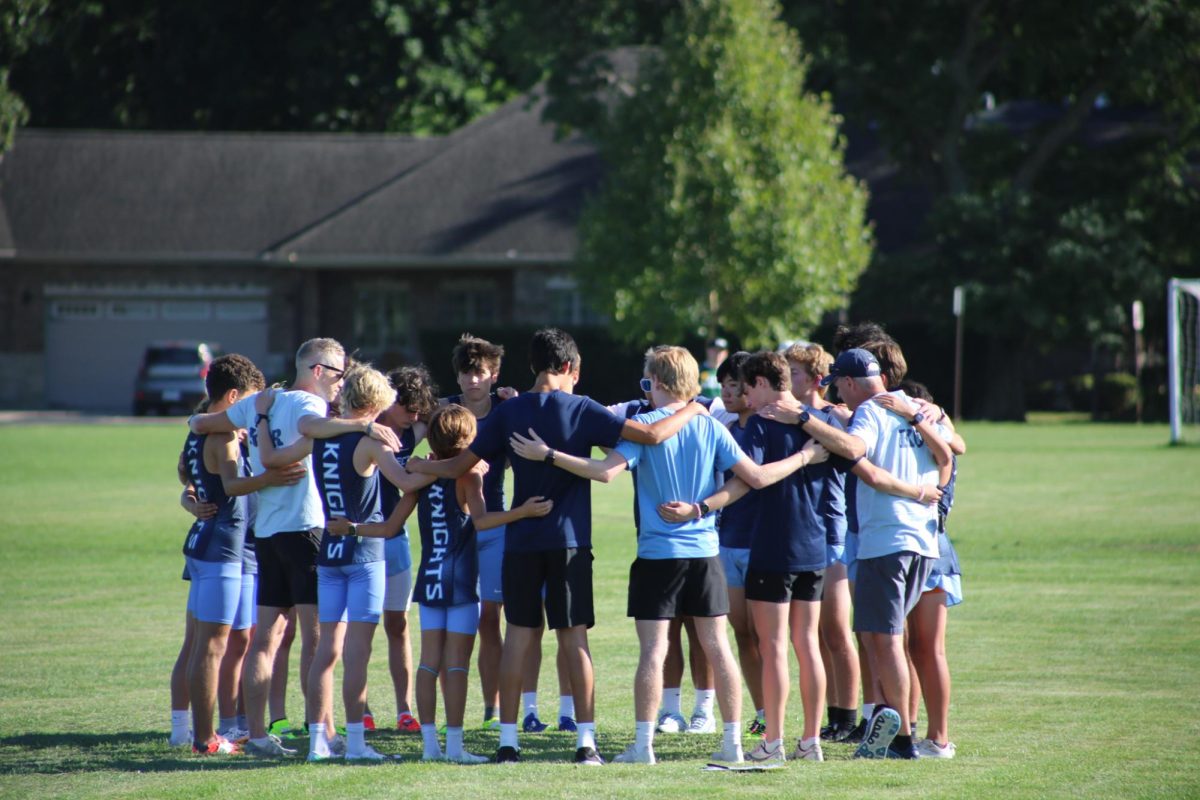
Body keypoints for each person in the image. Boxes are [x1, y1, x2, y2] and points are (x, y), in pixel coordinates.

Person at [514, 345, 826, 765]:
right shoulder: (711, 425)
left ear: (658, 383)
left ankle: (643, 746)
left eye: (647, 382)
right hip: (705, 554)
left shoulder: (643, 423)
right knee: (719, 647)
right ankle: (732, 741)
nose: (647, 390)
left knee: (653, 652)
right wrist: (804, 456)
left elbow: (604, 472)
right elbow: (752, 479)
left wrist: (549, 455)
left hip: (657, 554)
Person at [407, 328, 705, 765]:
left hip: (521, 542)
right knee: (574, 640)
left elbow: (459, 465)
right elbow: (654, 436)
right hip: (569, 543)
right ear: (568, 367)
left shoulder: (509, 413)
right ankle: (586, 742)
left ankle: (508, 742)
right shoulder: (582, 408)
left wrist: (418, 465)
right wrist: (694, 407)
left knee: (518, 639)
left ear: (532, 366)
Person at [188, 338, 400, 757]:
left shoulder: (264, 403)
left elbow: (199, 425)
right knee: (318, 640)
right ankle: (325, 735)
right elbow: (311, 429)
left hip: (267, 531)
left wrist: (254, 418)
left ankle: (260, 736)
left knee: (266, 639)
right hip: (307, 530)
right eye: (339, 374)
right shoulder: (311, 406)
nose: (343, 383)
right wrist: (363, 424)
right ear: (317, 370)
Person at [762, 348, 953, 760]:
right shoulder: (916, 408)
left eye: (839, 388)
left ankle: (901, 740)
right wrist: (928, 494)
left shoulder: (868, 411)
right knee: (882, 637)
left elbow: (851, 447)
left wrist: (801, 418)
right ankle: (898, 728)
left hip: (887, 537)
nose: (840, 399)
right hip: (923, 538)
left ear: (849, 383)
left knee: (884, 642)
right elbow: (950, 452)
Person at [663, 351, 833, 763]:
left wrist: (702, 507)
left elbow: (748, 479)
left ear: (759, 383)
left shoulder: (760, 423)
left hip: (773, 547)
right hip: (815, 546)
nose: (742, 397)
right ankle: (811, 742)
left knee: (773, 647)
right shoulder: (818, 424)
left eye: (746, 387)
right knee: (808, 644)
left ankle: (772, 742)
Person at [255, 364, 416, 762]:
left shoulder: (320, 438)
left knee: (326, 650)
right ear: (376, 405)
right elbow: (408, 484)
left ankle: (317, 743)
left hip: (328, 555)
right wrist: (447, 466)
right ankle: (358, 744)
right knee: (358, 652)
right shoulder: (371, 441)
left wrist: (260, 418)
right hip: (363, 556)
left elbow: (273, 457)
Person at [180, 355, 306, 754]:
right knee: (211, 644)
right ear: (234, 397)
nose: (253, 411)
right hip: (222, 550)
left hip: (214, 545)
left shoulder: (207, 430)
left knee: (215, 641)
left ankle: (216, 729)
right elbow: (232, 486)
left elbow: (189, 475)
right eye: (250, 402)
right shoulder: (223, 436)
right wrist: (271, 477)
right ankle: (203, 738)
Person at [442, 335, 565, 733]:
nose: (472, 380)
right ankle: (478, 708)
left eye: (479, 372)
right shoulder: (444, 412)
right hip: (452, 528)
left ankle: (499, 709)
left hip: (498, 523)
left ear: (493, 375)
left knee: (498, 617)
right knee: (466, 620)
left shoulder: (506, 409)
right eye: (466, 372)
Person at [782, 343, 860, 742]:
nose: (787, 380)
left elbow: (848, 447)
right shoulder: (786, 414)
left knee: (835, 629)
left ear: (817, 379)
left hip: (832, 531)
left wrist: (803, 418)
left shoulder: (834, 416)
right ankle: (831, 719)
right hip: (799, 532)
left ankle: (847, 717)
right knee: (810, 634)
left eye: (794, 373)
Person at [371, 365, 437, 734]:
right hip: (361, 535)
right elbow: (405, 480)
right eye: (408, 408)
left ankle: (404, 710)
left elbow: (446, 411)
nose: (414, 417)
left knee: (398, 624)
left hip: (395, 536)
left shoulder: (413, 428)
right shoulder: (364, 428)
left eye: (418, 410)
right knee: (358, 627)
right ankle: (361, 709)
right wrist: (436, 470)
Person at [711, 351, 767, 737]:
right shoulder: (722, 425)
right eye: (724, 386)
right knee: (742, 633)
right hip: (727, 541)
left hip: (763, 542)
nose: (728, 392)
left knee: (770, 637)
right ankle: (762, 711)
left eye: (736, 385)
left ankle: (776, 720)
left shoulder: (768, 425)